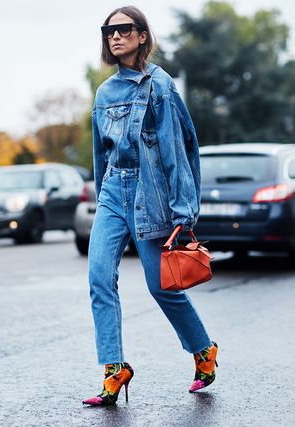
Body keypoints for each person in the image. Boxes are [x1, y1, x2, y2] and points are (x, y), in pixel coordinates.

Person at [82, 6, 218, 407]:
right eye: (109, 31)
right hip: (112, 191)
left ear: (143, 35)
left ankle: (202, 350)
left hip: (150, 192)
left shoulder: (159, 85)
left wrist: (183, 210)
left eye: (124, 29)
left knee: (161, 287)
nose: (115, 36)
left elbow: (179, 150)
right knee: (98, 278)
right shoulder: (104, 93)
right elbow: (98, 155)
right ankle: (113, 369)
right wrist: (100, 193)